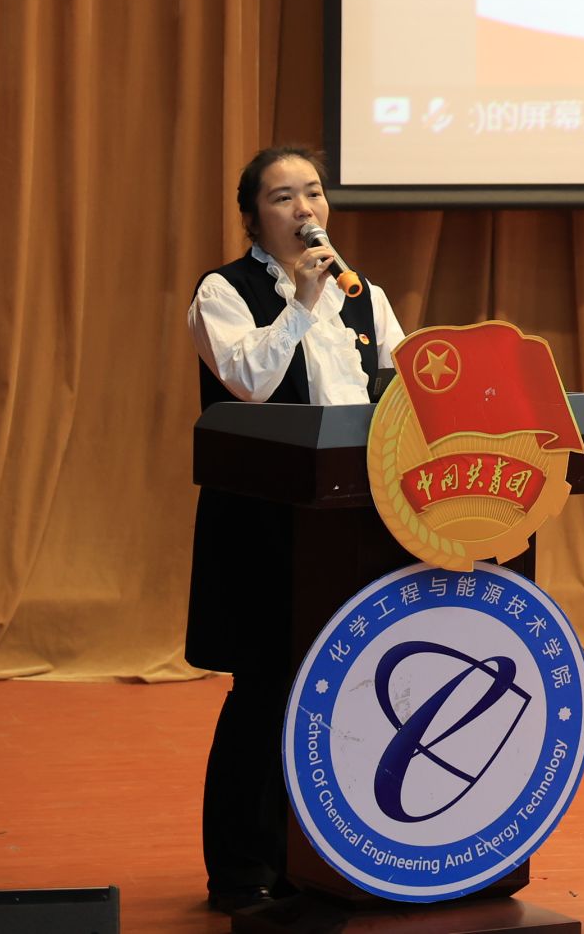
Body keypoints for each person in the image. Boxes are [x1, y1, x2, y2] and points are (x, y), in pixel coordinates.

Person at [184, 145, 406, 915]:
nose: (306, 208)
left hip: (353, 522)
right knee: (266, 692)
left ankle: (321, 859)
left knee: (346, 690)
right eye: (284, 196)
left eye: (313, 192)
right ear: (252, 216)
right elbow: (247, 381)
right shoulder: (223, 291)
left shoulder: (365, 296)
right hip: (263, 525)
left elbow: (402, 392)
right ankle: (241, 870)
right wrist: (303, 303)